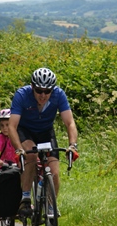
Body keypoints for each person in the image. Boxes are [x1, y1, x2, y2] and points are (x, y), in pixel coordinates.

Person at [8, 67, 78, 217]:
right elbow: (12, 126)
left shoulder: (59, 95)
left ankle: (50, 206)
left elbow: (70, 122)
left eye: (47, 91)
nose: (43, 95)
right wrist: (18, 149)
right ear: (32, 86)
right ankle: (26, 198)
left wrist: (72, 145)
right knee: (31, 155)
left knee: (54, 172)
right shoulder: (22, 95)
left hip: (46, 132)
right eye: (39, 90)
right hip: (25, 131)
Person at [0, 108, 17, 221]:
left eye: (7, 125)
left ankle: (22, 204)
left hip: (18, 165)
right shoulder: (1, 138)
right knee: (0, 185)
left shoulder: (17, 135)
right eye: (2, 126)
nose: (5, 128)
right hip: (5, 166)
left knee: (22, 184)